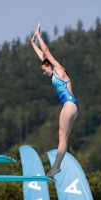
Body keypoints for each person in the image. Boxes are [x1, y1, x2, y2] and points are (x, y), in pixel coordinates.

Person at [31, 23, 79, 178]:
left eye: (43, 70)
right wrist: (33, 43)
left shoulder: (59, 69)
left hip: (68, 105)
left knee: (61, 138)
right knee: (63, 138)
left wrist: (38, 35)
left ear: (50, 67)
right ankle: (55, 167)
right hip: (73, 107)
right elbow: (42, 56)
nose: (43, 72)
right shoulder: (54, 72)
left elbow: (46, 52)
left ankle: (55, 168)